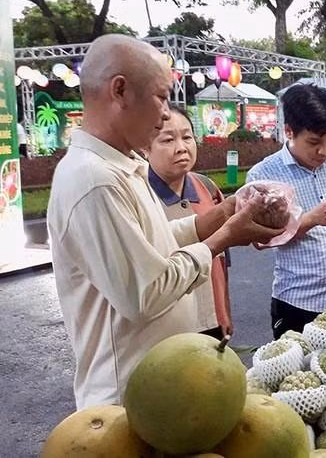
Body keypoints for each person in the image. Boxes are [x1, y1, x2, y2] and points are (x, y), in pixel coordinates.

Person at [46, 34, 282, 409]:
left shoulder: (122, 168)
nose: (164, 112)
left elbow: (151, 245)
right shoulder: (95, 180)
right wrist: (222, 239)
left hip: (161, 387)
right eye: (160, 96)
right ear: (120, 91)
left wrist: (219, 216)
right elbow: (145, 293)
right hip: (127, 401)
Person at [247, 84, 326, 342]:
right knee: (302, 380)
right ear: (288, 132)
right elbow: (260, 240)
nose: (324, 151)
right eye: (314, 142)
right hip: (298, 305)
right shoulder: (263, 176)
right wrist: (311, 219)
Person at [147, 104, 232, 340]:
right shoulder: (139, 196)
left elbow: (221, 264)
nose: (181, 148)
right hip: (168, 331)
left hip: (211, 322)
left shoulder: (207, 188)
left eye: (187, 137)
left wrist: (224, 315)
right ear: (145, 147)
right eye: (167, 140)